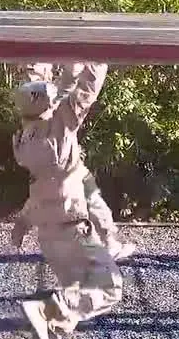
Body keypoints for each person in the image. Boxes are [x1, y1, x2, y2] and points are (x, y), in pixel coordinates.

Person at [9, 62, 124, 339]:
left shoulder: (24, 142)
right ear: (47, 102)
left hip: (48, 233)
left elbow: (41, 189)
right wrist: (97, 57)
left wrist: (22, 221)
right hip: (72, 230)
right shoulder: (58, 128)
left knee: (76, 292)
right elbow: (85, 93)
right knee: (109, 288)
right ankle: (46, 310)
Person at [18, 62, 136, 260]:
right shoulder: (53, 118)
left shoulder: (34, 128)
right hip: (61, 171)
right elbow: (80, 87)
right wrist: (87, 61)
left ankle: (109, 243)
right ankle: (93, 252)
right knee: (81, 206)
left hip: (65, 166)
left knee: (91, 198)